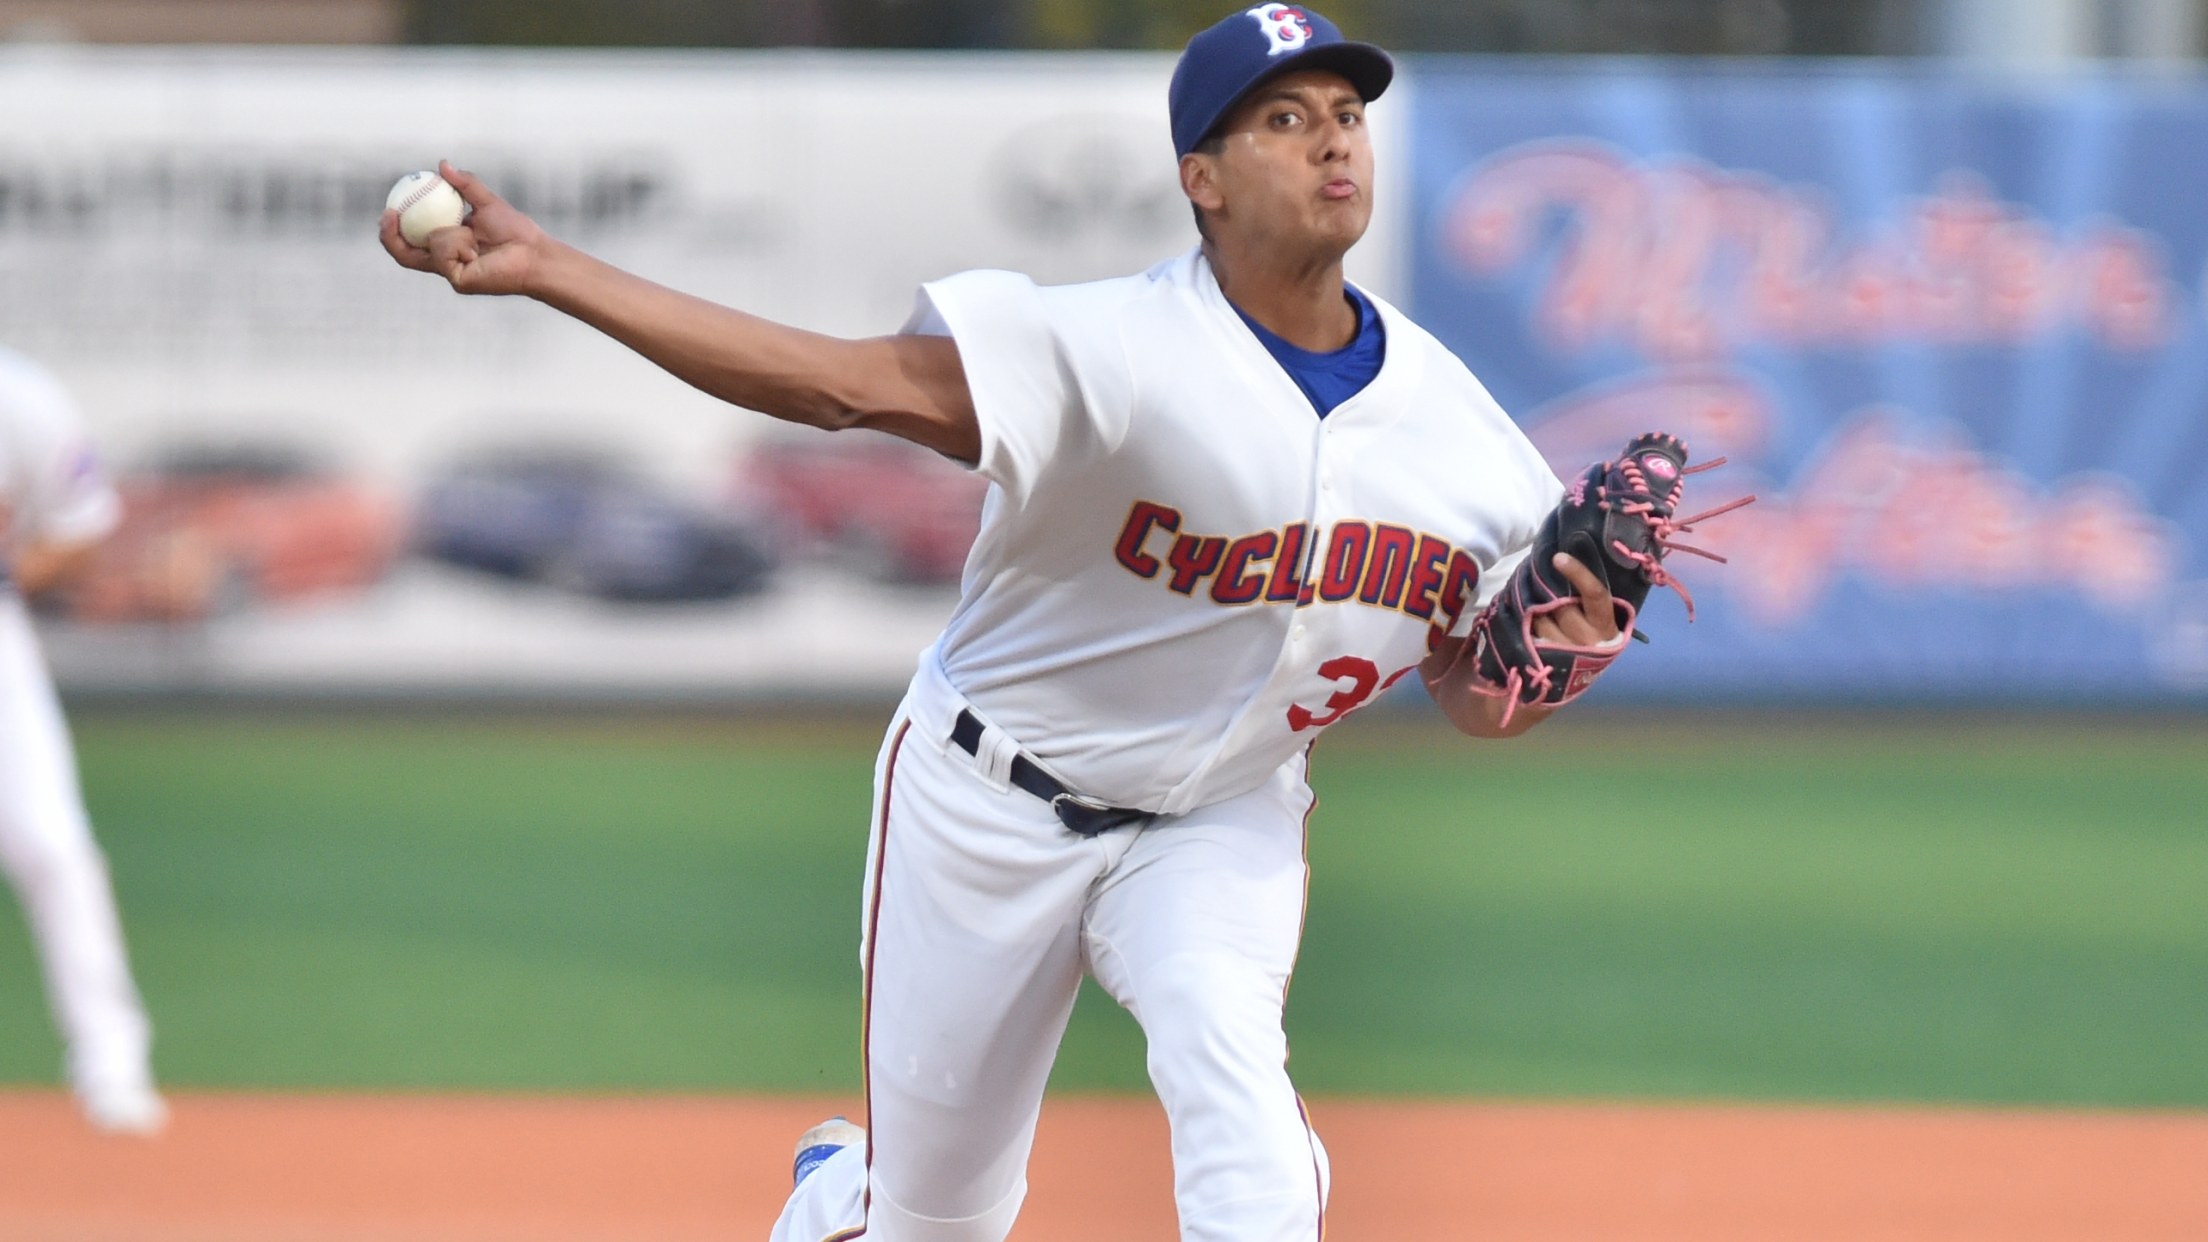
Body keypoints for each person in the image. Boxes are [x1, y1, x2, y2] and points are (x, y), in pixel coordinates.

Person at [383, 7, 1633, 1238]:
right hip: (987, 802)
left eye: (1347, 113)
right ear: (1200, 178)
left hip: (1217, 818)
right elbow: (834, 387)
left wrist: (1563, 651)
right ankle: (839, 1196)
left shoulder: (1468, 444)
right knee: (934, 1223)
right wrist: (552, 270)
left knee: (1244, 1127)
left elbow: (1476, 692)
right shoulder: (1105, 349)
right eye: (1284, 119)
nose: (1332, 140)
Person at [0, 345, 167, 1136]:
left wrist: (10, 575)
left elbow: (82, 528)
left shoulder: (21, 400)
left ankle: (112, 1063)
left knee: (51, 844)